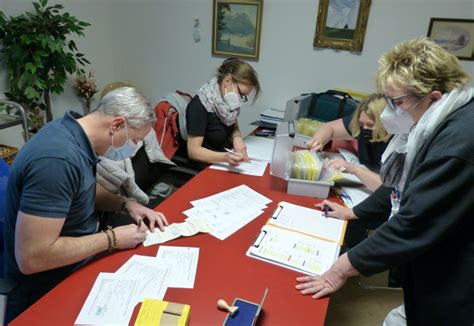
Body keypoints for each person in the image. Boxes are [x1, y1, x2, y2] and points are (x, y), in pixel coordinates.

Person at [296, 38, 474, 325]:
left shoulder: (458, 143)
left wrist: (341, 268)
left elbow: (414, 221)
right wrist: (353, 212)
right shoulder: (438, 122)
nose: (390, 112)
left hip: (458, 273)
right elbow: (398, 187)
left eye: (398, 102)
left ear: (434, 97)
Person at [4, 87, 169, 323]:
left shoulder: (73, 133)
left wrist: (125, 203)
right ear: (116, 125)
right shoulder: (57, 159)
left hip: (78, 262)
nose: (134, 147)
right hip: (46, 290)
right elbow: (33, 258)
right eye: (135, 140)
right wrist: (112, 238)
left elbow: (81, 188)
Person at [186, 58, 261, 167]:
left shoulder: (226, 103)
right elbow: (193, 151)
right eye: (242, 94)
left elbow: (233, 125)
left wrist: (237, 138)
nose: (241, 99)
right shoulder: (200, 105)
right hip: (208, 166)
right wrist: (225, 157)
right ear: (227, 81)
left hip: (226, 160)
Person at [307, 93, 391, 191]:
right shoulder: (362, 125)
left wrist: (354, 169)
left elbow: (390, 190)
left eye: (370, 125)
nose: (364, 128)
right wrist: (318, 140)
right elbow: (329, 127)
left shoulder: (399, 144)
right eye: (361, 124)